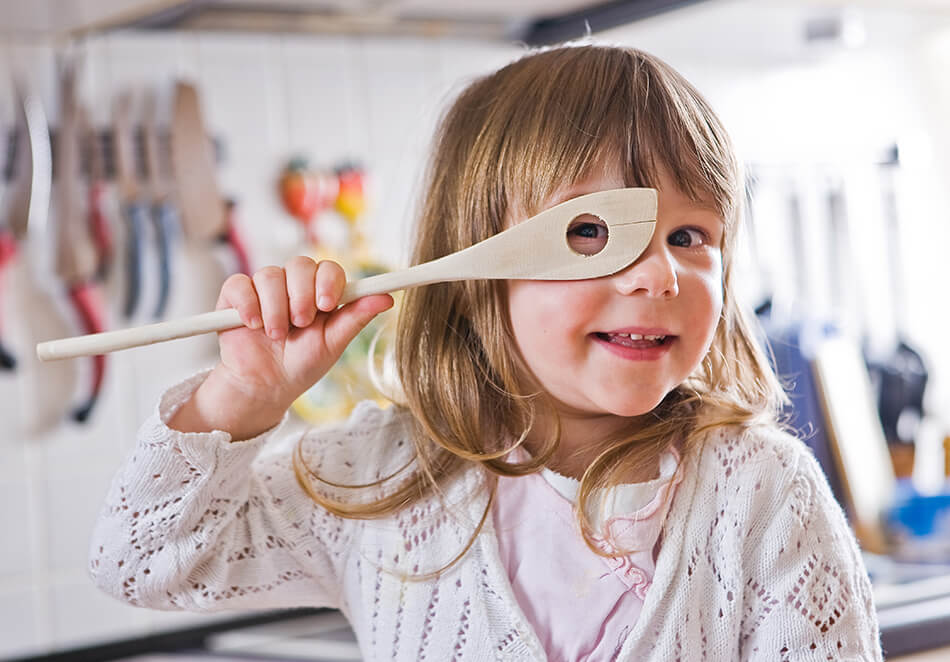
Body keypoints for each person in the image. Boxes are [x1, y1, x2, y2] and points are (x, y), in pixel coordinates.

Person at [89, 44, 883, 660]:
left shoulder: (762, 491)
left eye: (689, 236)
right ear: (477, 270)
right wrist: (246, 396)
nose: (659, 274)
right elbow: (139, 563)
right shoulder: (384, 478)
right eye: (592, 235)